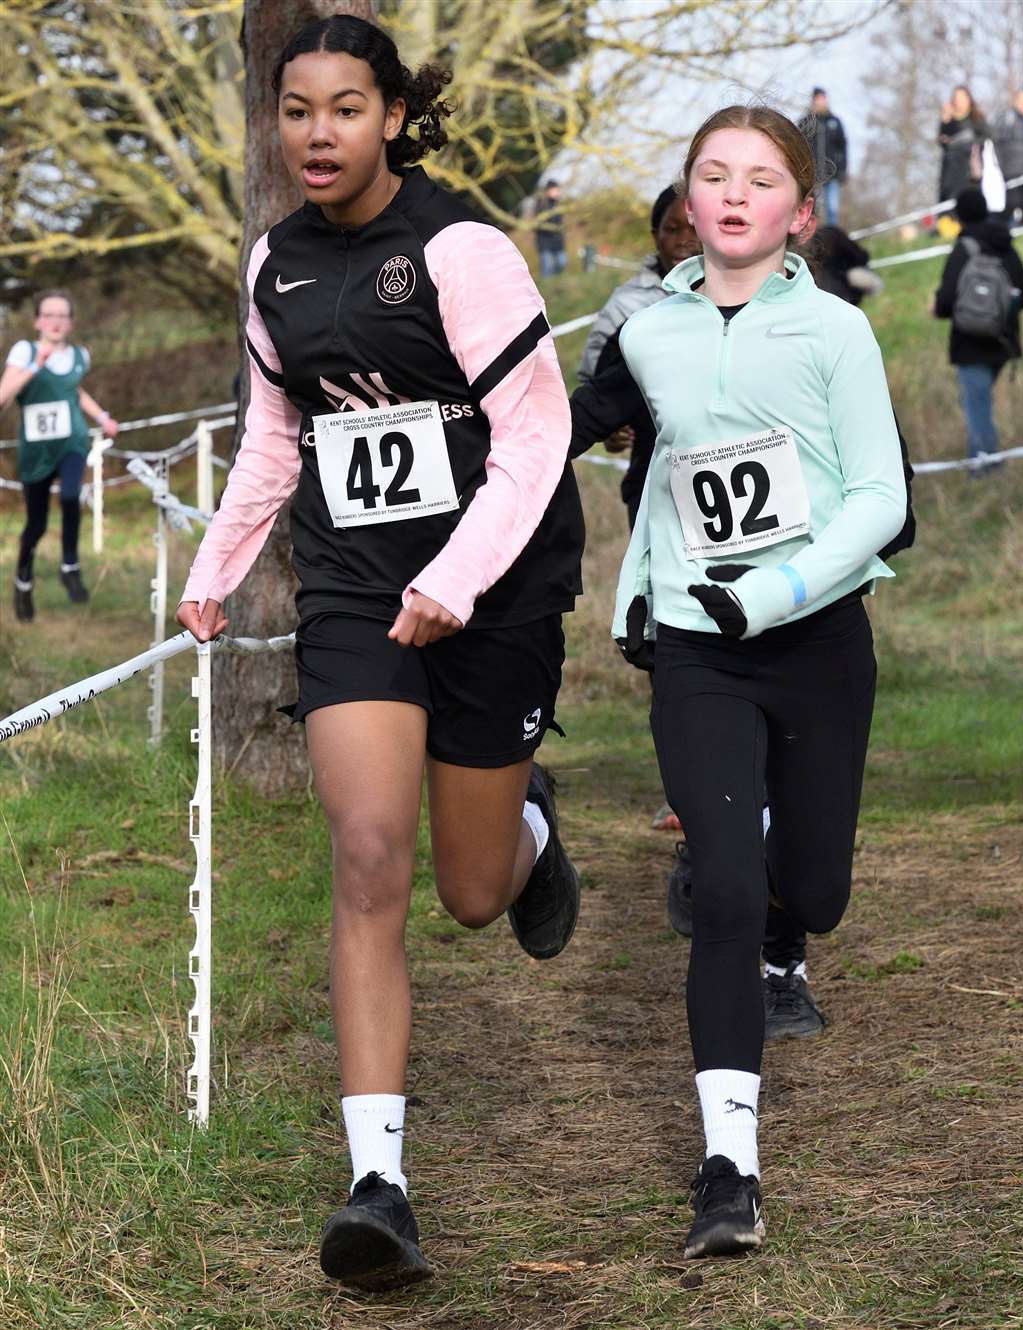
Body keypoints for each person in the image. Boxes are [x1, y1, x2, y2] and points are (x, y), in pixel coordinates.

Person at [174, 15, 585, 1291]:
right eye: (296, 110)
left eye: (345, 109)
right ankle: (378, 1187)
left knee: (468, 891)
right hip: (354, 589)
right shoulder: (273, 268)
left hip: (493, 589)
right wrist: (215, 569)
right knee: (365, 854)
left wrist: (456, 580)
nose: (316, 134)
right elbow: (275, 441)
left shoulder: (461, 250)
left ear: (393, 117)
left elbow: (536, 439)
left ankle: (527, 833)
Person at [609, 104, 907, 1257]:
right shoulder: (647, 334)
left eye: (761, 179)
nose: (734, 195)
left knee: (811, 888)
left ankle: (796, 926)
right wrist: (644, 593)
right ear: (688, 199)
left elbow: (881, 500)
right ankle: (729, 1167)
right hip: (697, 646)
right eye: (713, 176)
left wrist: (779, 592)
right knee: (724, 891)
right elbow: (666, 482)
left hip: (817, 638)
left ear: (801, 212)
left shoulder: (836, 332)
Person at [577, 185, 700, 527]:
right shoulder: (627, 304)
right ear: (655, 234)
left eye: (693, 229)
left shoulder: (738, 295)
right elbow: (594, 383)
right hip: (652, 478)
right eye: (671, 229)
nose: (682, 241)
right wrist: (609, 430)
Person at [0, 291, 119, 622]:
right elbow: (3, 397)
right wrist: (35, 367)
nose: (55, 321)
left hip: (72, 441)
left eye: (62, 316)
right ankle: (23, 579)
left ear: (71, 323)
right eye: (49, 315)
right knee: (35, 525)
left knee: (71, 495)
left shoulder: (80, 355)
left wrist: (102, 417)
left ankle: (70, 564)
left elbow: (73, 391)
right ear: (38, 320)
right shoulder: (25, 351)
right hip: (36, 451)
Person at [933, 187, 1023, 467]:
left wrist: (939, 307)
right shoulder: (1006, 245)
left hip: (970, 345)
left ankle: (985, 472)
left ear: (960, 216)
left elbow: (945, 302)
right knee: (981, 405)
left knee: (978, 412)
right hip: (1003, 343)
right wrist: (1000, 315)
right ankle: (988, 466)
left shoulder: (963, 249)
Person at [797, 88, 847, 225]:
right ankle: (810, 239)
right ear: (813, 100)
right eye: (819, 99)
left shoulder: (835, 122)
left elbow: (842, 147)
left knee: (832, 208)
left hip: (833, 174)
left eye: (824, 99)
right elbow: (797, 147)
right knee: (812, 209)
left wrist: (842, 170)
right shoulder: (805, 122)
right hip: (812, 174)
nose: (822, 102)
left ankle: (832, 239)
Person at [938, 85, 987, 207]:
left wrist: (970, 143)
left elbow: (987, 138)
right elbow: (943, 143)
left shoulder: (977, 119)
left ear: (969, 99)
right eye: (956, 98)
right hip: (950, 174)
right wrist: (944, 122)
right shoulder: (949, 120)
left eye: (961, 98)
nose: (958, 101)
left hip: (970, 174)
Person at [991, 90, 1023, 224]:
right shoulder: (1006, 119)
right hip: (1010, 169)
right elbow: (996, 142)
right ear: (1015, 102)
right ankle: (999, 226)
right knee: (1011, 202)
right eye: (1022, 101)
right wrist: (1000, 165)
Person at [534, 179, 567, 277]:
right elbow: (537, 223)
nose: (557, 192)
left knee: (562, 263)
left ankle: (557, 284)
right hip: (545, 242)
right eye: (555, 190)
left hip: (558, 241)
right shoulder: (541, 204)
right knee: (547, 267)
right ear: (548, 191)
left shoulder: (559, 204)